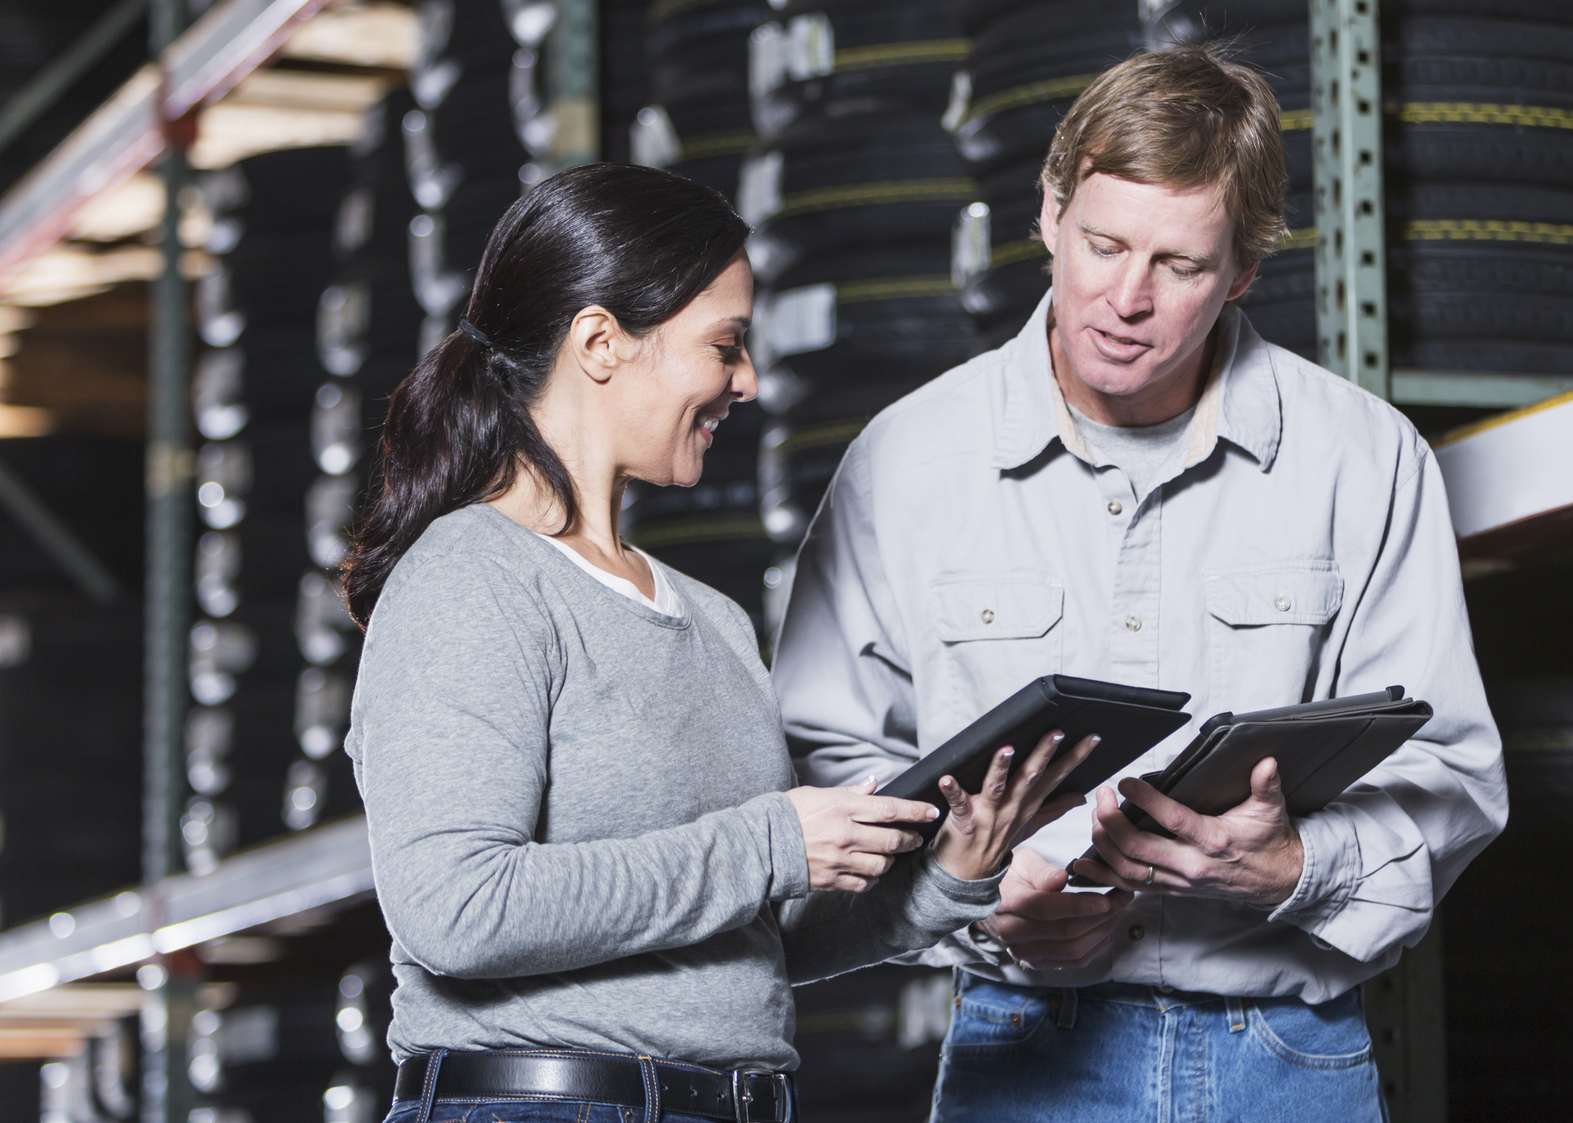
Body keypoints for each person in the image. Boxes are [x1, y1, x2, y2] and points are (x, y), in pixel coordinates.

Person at [770, 47, 1508, 1121]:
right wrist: (974, 892)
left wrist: (1296, 865)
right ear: (1048, 214)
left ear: (1245, 271)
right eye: (1103, 245)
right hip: (1021, 1050)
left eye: (1180, 265)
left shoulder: (1364, 458)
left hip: (1287, 1059)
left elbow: (1454, 771)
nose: (1126, 298)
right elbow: (826, 762)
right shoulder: (908, 461)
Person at [342, 165, 1097, 1123]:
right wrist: (772, 839)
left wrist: (953, 872)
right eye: (724, 345)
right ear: (602, 342)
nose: (747, 381)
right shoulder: (472, 578)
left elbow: (752, 934)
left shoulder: (712, 618)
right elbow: (456, 908)